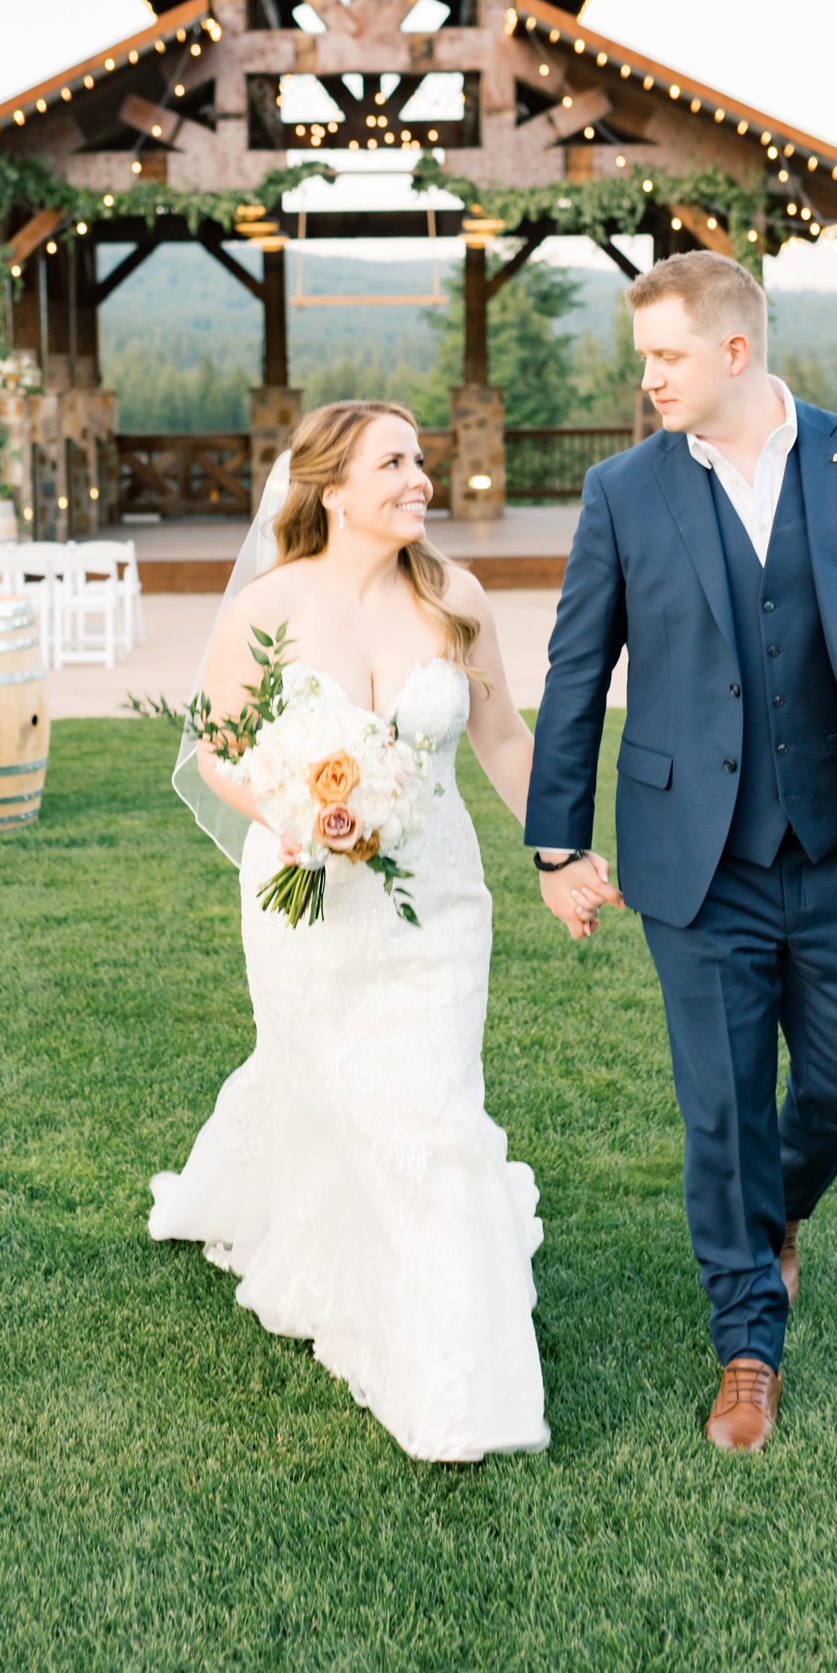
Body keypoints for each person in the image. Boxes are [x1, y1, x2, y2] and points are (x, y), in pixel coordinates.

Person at [526, 252, 837, 1453]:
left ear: (732, 350)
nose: (647, 379)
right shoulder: (623, 490)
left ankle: (769, 1214)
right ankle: (745, 1345)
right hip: (694, 858)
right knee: (721, 1105)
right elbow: (577, 669)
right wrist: (556, 842)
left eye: (664, 356)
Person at [148, 399, 585, 1463]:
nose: (419, 478)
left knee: (430, 1112)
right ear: (331, 486)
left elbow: (498, 736)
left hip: (435, 903)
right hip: (302, 898)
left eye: (421, 460)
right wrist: (293, 814)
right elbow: (214, 747)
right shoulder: (269, 602)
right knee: (329, 1092)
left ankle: (457, 1386)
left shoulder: (453, 597)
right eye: (393, 462)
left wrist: (558, 855)